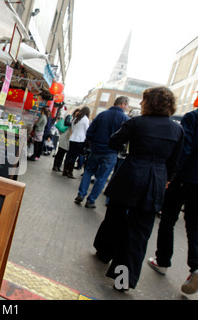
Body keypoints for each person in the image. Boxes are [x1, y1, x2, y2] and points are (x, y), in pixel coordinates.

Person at [93, 87, 184, 291]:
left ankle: (105, 251)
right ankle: (124, 280)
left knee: (115, 218)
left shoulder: (136, 122)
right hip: (156, 180)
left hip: (131, 175)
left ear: (147, 103)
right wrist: (166, 178)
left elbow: (113, 142)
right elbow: (175, 161)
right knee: (139, 234)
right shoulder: (177, 129)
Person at [147, 104, 198, 294]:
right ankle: (196, 267)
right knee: (194, 225)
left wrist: (171, 175)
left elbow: (185, 149)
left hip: (185, 178)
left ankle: (162, 261)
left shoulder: (193, 117)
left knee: (168, 219)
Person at [74, 96, 130, 209]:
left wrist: (93, 142)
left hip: (96, 149)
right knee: (102, 178)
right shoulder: (125, 119)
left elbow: (90, 132)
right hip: (111, 152)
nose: (127, 107)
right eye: (127, 105)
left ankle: (81, 194)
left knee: (88, 171)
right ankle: (91, 200)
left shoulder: (102, 115)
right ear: (123, 104)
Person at [63, 107, 90, 179]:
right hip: (80, 140)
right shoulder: (85, 119)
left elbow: (73, 127)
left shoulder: (76, 118)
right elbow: (87, 130)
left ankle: (65, 170)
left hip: (73, 138)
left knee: (69, 155)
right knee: (74, 156)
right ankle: (70, 172)